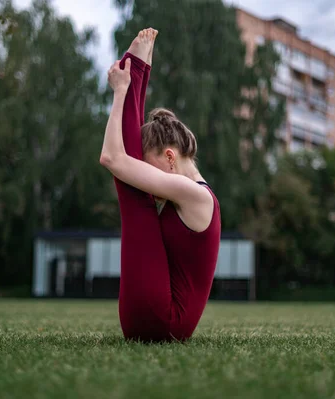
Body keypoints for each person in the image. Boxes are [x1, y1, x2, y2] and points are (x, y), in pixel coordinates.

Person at [100, 28, 221, 342]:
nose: (141, 168)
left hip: (161, 322)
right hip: (157, 320)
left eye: (146, 161)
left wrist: (119, 95)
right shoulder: (189, 194)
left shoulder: (195, 195)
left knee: (134, 193)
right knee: (136, 193)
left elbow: (113, 158)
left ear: (170, 157)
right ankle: (138, 71)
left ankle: (136, 72)